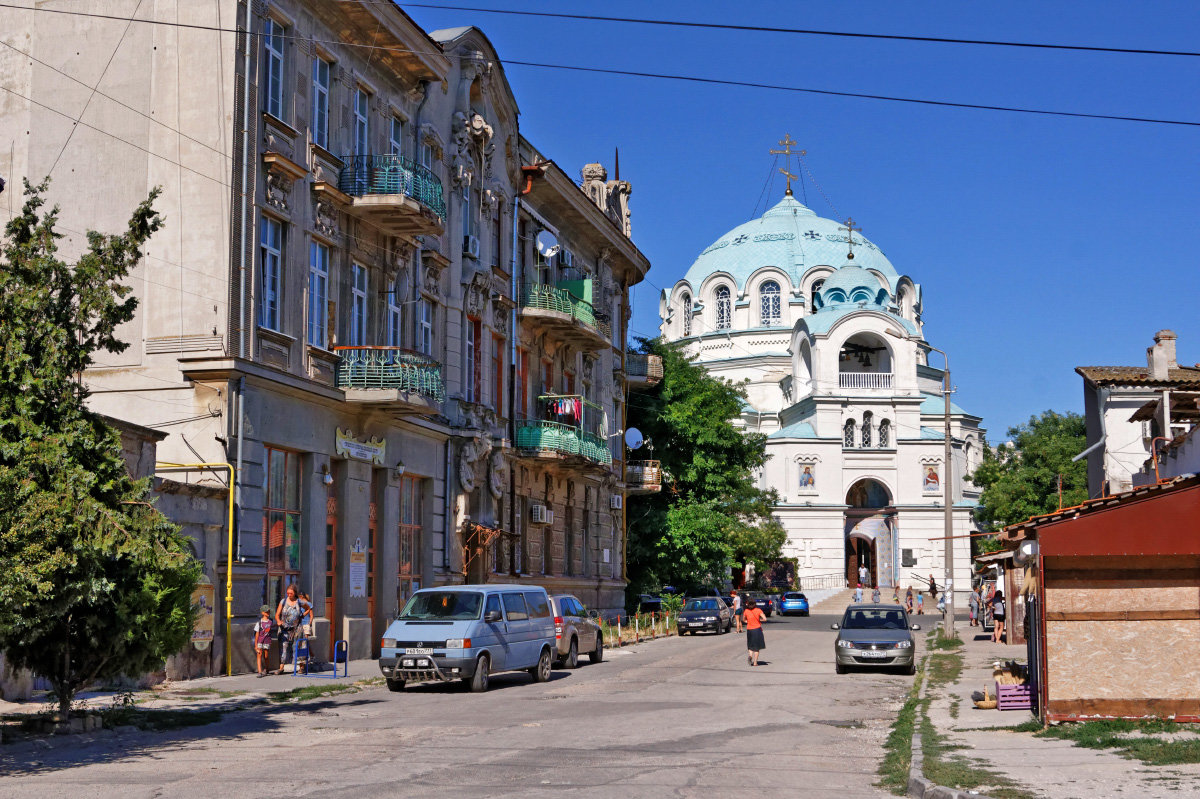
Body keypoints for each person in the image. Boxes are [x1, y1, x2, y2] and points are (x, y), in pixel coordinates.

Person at [275, 584, 313, 675]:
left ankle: (301, 667)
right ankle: (281, 668)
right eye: (288, 593)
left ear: (295, 593)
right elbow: (277, 614)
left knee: (299, 646)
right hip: (285, 628)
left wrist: (302, 616)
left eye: (291, 593)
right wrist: (278, 621)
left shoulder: (299, 602)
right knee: (283, 647)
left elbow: (309, 608)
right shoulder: (283, 601)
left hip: (297, 628)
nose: (289, 595)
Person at [743, 600, 766, 666]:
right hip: (757, 630)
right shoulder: (758, 610)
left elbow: (744, 620)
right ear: (755, 604)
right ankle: (755, 662)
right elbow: (765, 619)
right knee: (756, 647)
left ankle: (750, 656)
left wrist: (749, 621)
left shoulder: (746, 611)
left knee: (750, 645)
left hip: (749, 630)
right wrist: (759, 620)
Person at [253, 605, 273, 677]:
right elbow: (257, 634)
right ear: (262, 613)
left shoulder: (270, 621)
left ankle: (267, 669)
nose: (268, 612)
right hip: (260, 641)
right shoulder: (259, 623)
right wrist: (256, 645)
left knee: (266, 656)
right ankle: (259, 671)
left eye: (268, 611)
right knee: (259, 655)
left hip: (267, 641)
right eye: (266, 611)